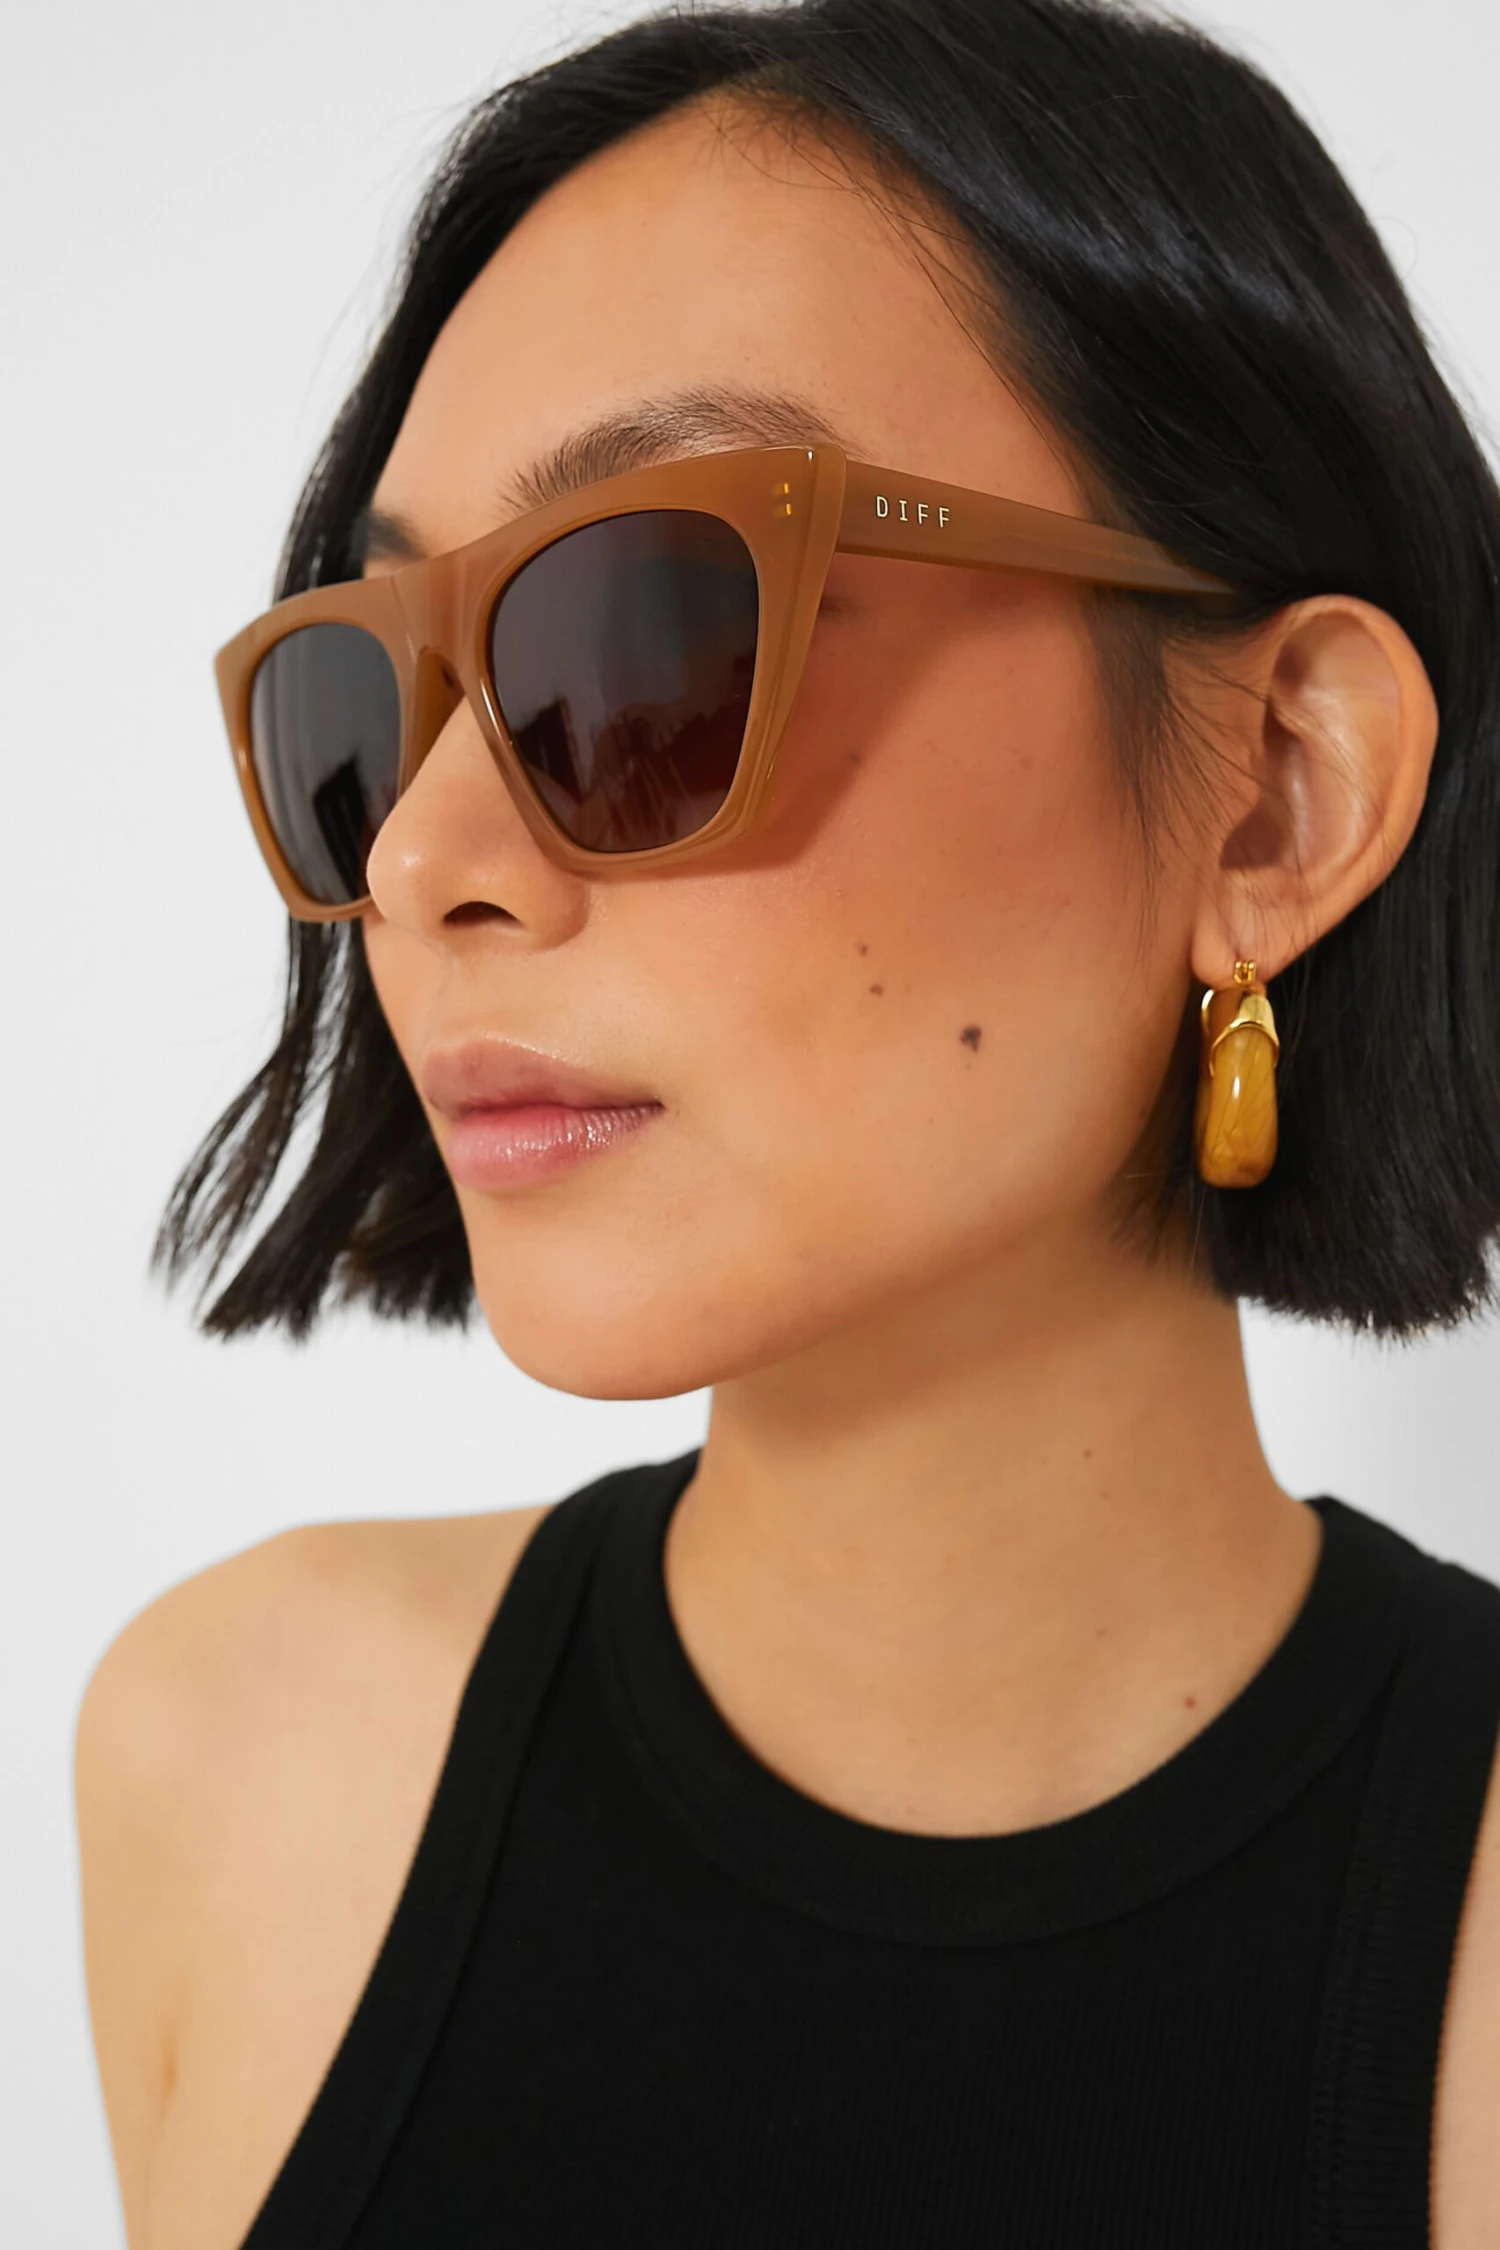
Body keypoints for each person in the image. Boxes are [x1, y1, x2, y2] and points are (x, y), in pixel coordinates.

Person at [74, 2, 1500, 2244]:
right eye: (379, 691)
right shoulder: (232, 1762)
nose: (423, 857)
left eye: (646, 638)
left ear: (1279, 795)